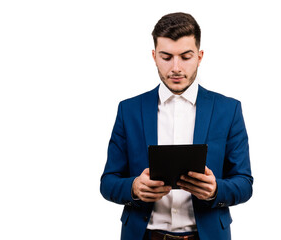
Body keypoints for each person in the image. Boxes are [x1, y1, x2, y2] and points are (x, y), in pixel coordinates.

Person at [100, 12, 253, 240]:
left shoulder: (228, 110)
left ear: (200, 57)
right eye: (166, 57)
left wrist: (215, 190)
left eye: (185, 56)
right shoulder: (128, 110)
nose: (176, 67)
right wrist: (133, 188)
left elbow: (244, 182)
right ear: (154, 56)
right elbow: (108, 181)